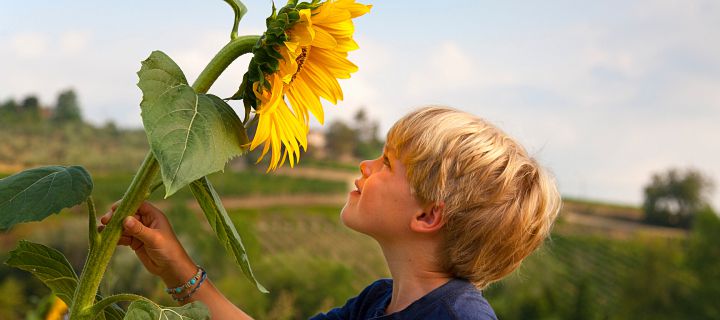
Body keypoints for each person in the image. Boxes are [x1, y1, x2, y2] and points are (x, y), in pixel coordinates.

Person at [100, 106, 561, 319]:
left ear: (427, 216)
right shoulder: (378, 303)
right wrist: (176, 267)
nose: (365, 165)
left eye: (386, 163)